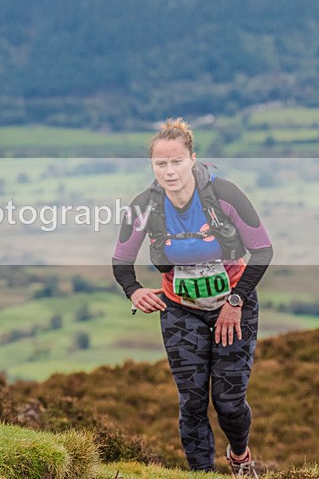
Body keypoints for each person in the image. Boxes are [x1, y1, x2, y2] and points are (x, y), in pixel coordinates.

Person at [112, 118, 273, 476]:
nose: (169, 171)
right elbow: (121, 261)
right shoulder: (145, 206)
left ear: (193, 160)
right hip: (181, 310)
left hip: (234, 305)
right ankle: (202, 474)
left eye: (177, 162)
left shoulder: (223, 195)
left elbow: (263, 250)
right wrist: (134, 290)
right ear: (152, 166)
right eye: (161, 164)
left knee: (229, 402)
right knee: (192, 402)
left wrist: (236, 301)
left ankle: (240, 457)